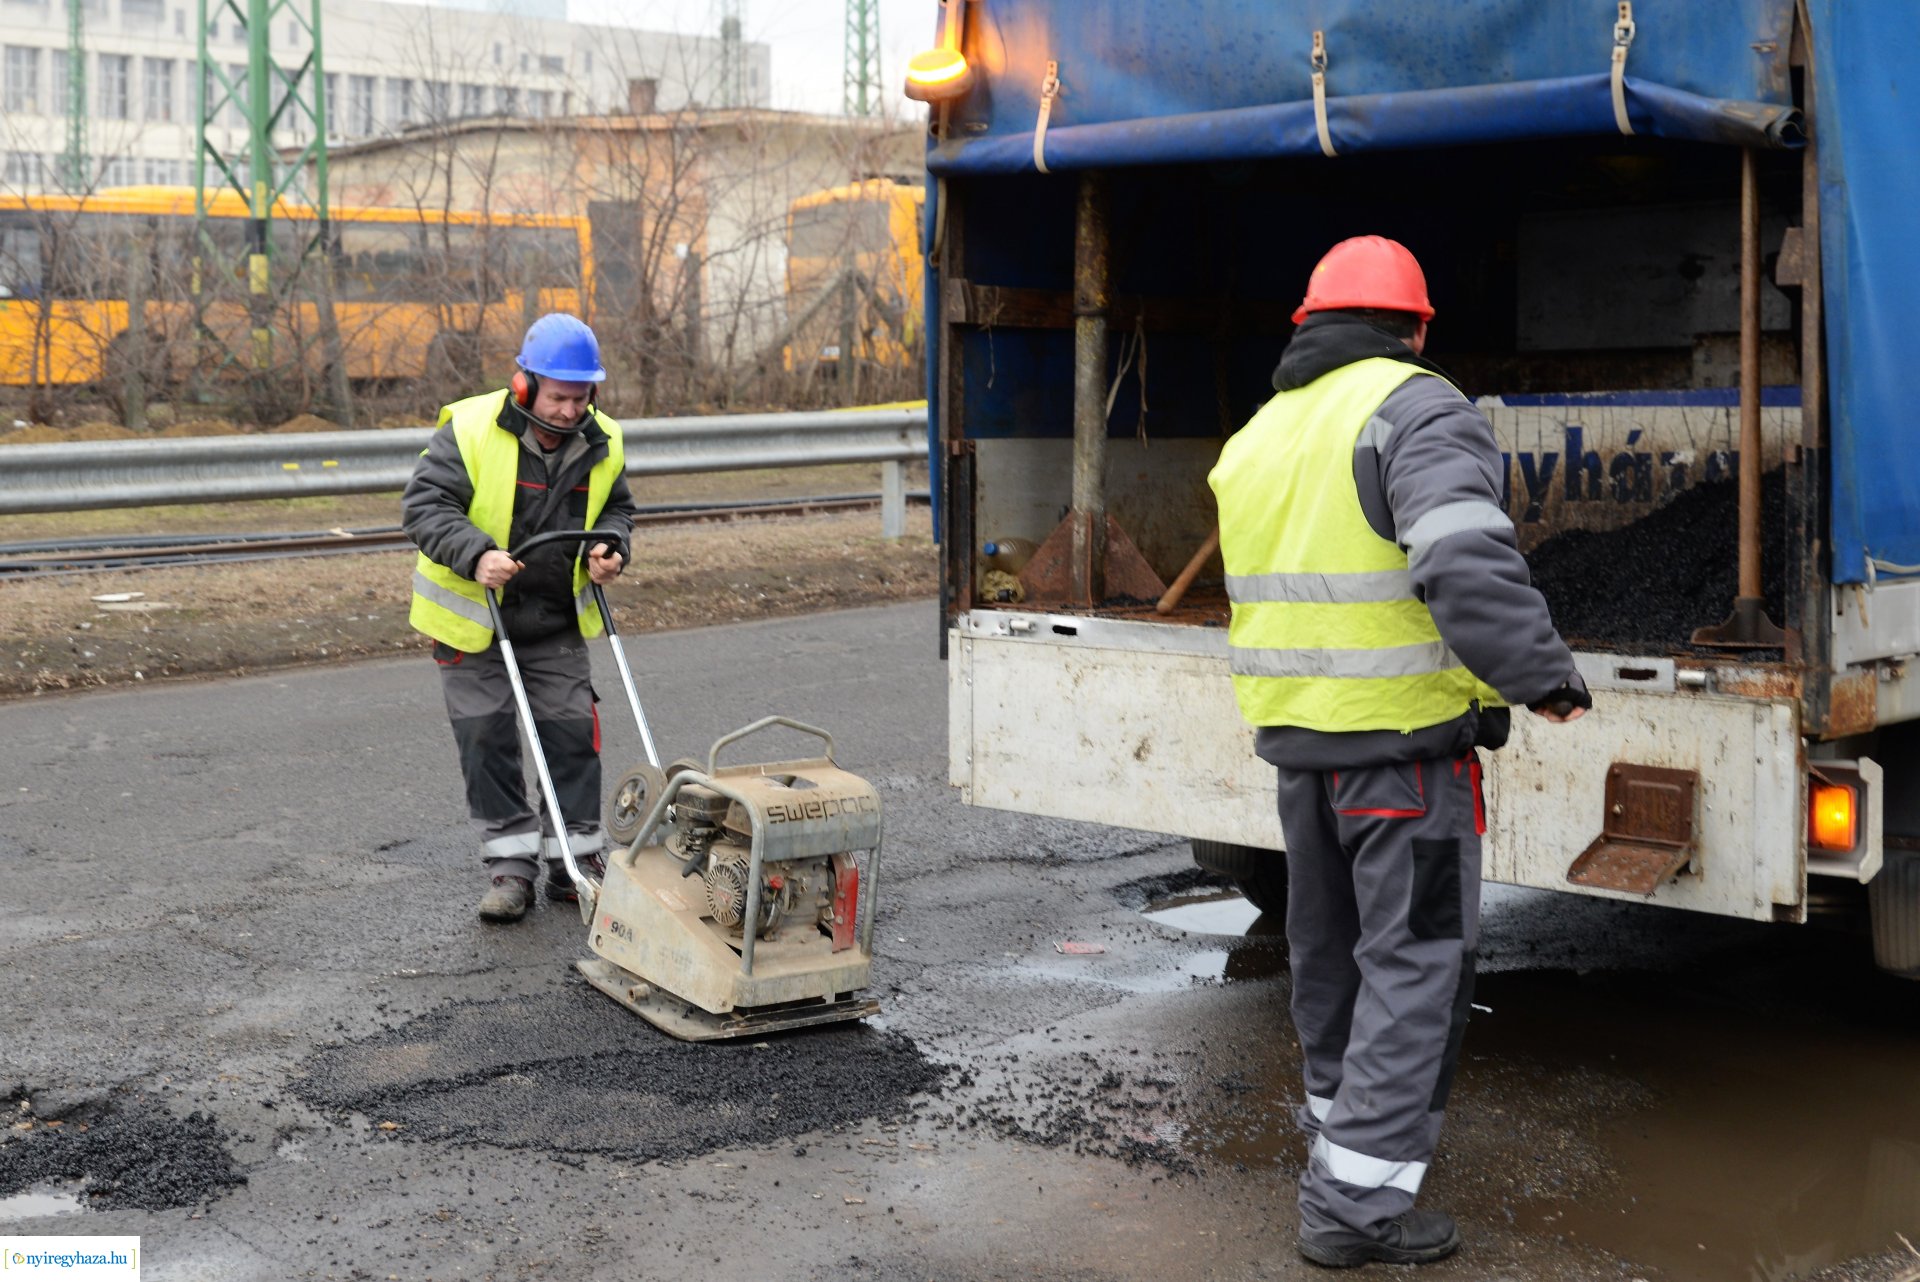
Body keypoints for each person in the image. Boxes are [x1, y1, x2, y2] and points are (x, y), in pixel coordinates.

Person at [1206, 236, 1590, 1268]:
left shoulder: (1263, 432)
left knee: (1331, 962)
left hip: (1307, 758)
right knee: (1416, 968)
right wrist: (1541, 673)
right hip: (1406, 768)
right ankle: (1351, 1209)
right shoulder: (1414, 407)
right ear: (1415, 326)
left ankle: (1343, 1149)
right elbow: (1462, 557)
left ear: (1307, 324)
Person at [402, 313, 638, 923]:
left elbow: (617, 508)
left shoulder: (603, 436)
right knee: (489, 741)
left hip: (555, 620)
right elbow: (425, 507)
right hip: (474, 624)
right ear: (526, 384)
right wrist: (476, 553)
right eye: (558, 397)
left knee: (571, 738)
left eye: (580, 397)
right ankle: (510, 871)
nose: (568, 411)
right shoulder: (471, 427)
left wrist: (610, 548)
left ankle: (577, 864)